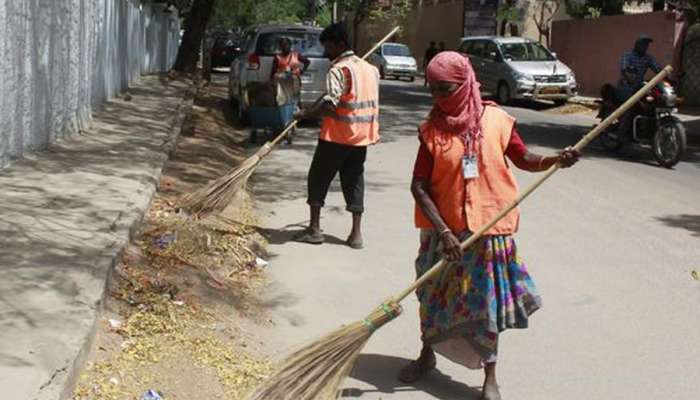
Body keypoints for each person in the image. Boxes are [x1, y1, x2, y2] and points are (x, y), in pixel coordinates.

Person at [400, 51, 580, 400]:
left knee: (486, 307)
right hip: (444, 236)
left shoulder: (497, 120)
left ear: (465, 83)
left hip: (489, 232)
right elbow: (419, 186)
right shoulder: (432, 130)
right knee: (431, 297)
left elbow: (524, 158)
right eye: (432, 89)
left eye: (445, 88)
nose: (438, 97)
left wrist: (555, 160)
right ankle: (426, 355)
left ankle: (490, 376)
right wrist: (445, 232)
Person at [292, 23, 380, 249]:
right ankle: (356, 235)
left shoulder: (339, 70)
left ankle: (314, 230)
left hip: (336, 136)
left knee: (318, 178)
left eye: (328, 46)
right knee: (354, 181)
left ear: (340, 44)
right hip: (361, 138)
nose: (326, 51)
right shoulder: (370, 69)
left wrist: (305, 113)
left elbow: (330, 107)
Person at [613, 35, 662, 141]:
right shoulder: (627, 56)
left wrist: (670, 77)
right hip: (625, 87)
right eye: (643, 44)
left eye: (647, 44)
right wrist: (631, 79)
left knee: (652, 103)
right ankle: (621, 133)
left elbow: (658, 70)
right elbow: (625, 70)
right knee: (631, 106)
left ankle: (648, 130)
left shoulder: (648, 58)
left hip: (640, 88)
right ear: (637, 44)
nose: (645, 46)